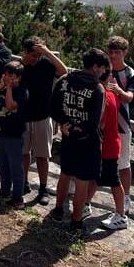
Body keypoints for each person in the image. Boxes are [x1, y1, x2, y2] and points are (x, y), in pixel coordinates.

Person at [50, 48, 108, 232]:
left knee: (65, 174)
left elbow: (53, 107)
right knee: (82, 182)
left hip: (68, 137)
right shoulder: (97, 89)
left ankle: (58, 210)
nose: (103, 72)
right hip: (88, 142)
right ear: (95, 67)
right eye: (102, 68)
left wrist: (64, 124)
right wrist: (78, 130)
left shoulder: (64, 80)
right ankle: (76, 222)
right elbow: (94, 122)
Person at [20, 37, 68, 205]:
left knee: (42, 155)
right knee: (24, 153)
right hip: (24, 116)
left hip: (43, 116)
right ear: (26, 52)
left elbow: (64, 72)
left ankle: (43, 188)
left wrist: (47, 53)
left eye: (38, 55)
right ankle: (23, 182)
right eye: (33, 55)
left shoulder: (46, 64)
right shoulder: (20, 67)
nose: (36, 58)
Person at [0, 61, 27, 207]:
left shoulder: (21, 91)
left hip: (14, 134)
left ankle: (18, 197)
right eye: (6, 75)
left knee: (15, 167)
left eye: (11, 76)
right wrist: (1, 85)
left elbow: (10, 105)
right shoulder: (0, 87)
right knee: (1, 163)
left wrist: (8, 88)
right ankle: (5, 190)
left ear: (18, 78)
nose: (7, 78)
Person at [106, 37, 134, 217]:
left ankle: (126, 197)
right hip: (103, 122)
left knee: (124, 164)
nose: (113, 56)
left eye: (117, 52)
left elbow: (129, 98)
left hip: (122, 124)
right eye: (111, 52)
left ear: (125, 52)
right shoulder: (104, 68)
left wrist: (117, 90)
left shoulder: (131, 74)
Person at [95, 68, 127, 229]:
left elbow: (100, 122)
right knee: (94, 177)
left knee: (114, 181)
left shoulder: (103, 96)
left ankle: (121, 216)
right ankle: (85, 204)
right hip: (111, 143)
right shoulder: (112, 94)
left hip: (107, 145)